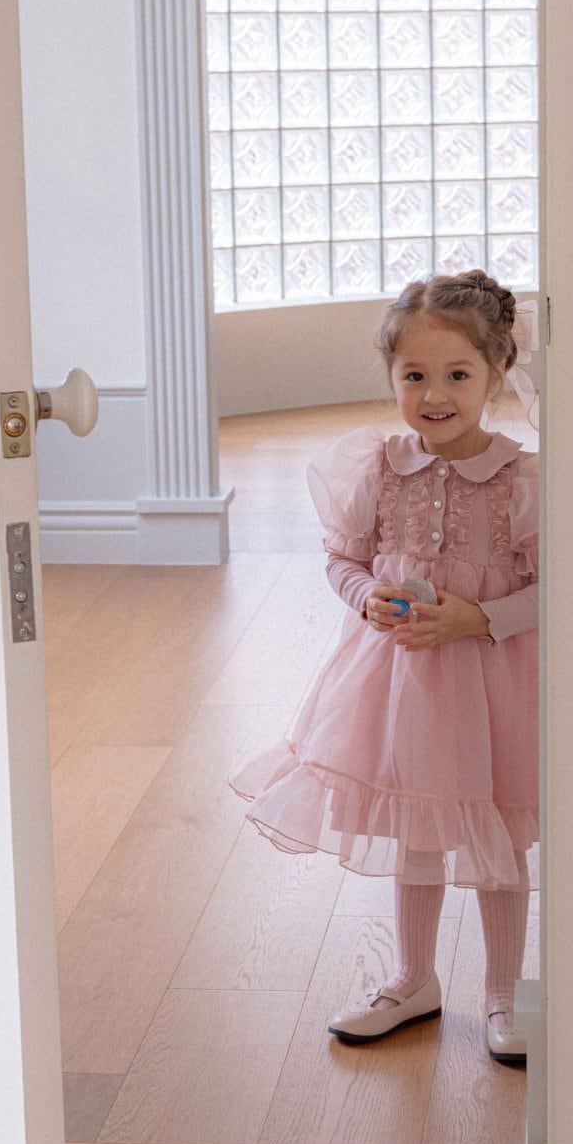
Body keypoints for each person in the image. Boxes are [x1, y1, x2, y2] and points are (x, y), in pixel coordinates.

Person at [227, 269, 540, 1065]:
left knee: (498, 831)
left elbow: (557, 587)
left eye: (458, 375)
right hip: (398, 684)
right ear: (392, 377)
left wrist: (479, 618)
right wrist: (365, 596)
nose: (435, 395)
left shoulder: (523, 479)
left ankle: (504, 992)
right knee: (415, 827)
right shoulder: (376, 468)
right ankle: (412, 978)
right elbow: (343, 560)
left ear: (497, 371)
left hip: (493, 689)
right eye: (414, 376)